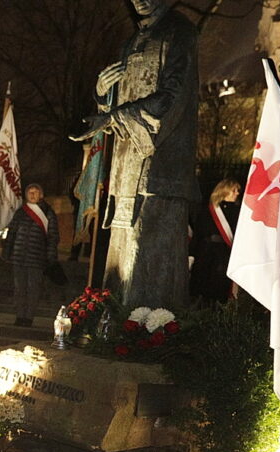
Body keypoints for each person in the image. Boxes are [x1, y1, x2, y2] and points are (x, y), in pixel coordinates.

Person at [70, 0, 198, 309]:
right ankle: (115, 324)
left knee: (147, 259)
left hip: (160, 172)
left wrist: (113, 117)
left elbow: (173, 98)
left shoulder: (180, 32)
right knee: (121, 256)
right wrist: (102, 95)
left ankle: (147, 329)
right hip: (125, 170)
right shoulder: (131, 41)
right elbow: (116, 106)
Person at [4, 184, 60, 327]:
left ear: (41, 195)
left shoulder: (48, 212)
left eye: (35, 192)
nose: (32, 195)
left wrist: (51, 256)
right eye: (30, 192)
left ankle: (28, 317)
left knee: (33, 289)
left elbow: (53, 237)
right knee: (19, 288)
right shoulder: (21, 212)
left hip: (36, 258)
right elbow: (12, 233)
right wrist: (7, 251)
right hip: (19, 257)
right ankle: (19, 316)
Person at [189, 179, 240, 303]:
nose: (237, 193)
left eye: (238, 190)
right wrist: (192, 255)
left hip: (226, 256)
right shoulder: (208, 211)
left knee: (223, 292)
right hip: (207, 256)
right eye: (234, 190)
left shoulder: (239, 212)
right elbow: (198, 234)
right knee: (205, 292)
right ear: (224, 191)